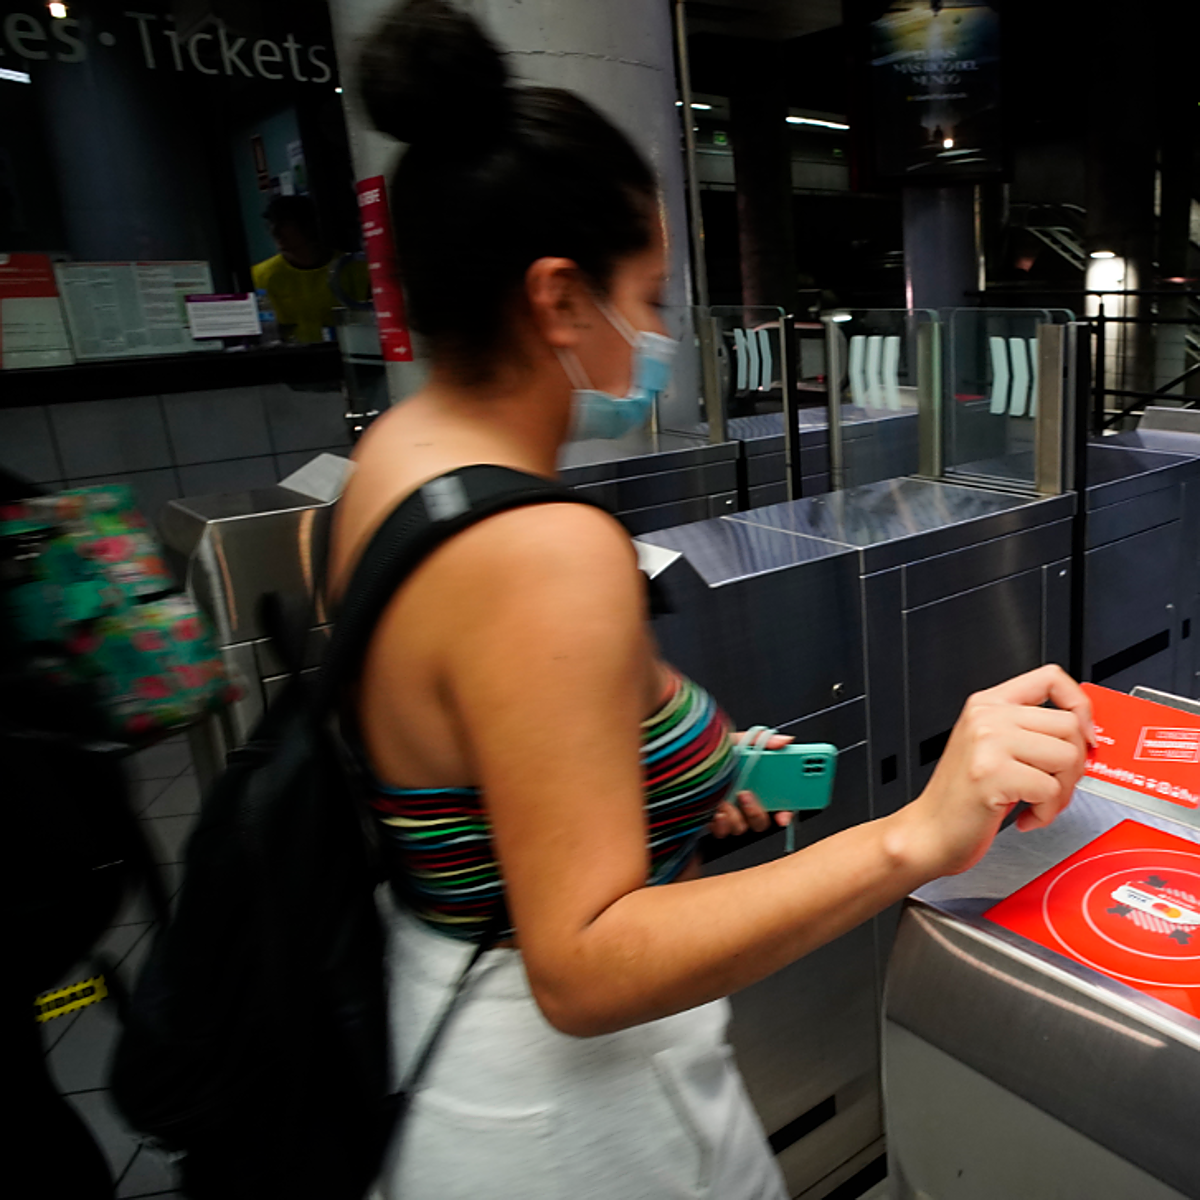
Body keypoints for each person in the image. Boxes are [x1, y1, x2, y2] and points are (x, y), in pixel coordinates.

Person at [329, 3, 1094, 1197]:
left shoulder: (390, 472)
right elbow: (581, 965)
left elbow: (488, 769)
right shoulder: (540, 550)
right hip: (576, 1129)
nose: (658, 333)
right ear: (555, 300)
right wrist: (914, 835)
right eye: (644, 296)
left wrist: (695, 764)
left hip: (445, 1052)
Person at [251, 194, 368, 343]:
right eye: (271, 225)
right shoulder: (260, 276)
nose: (275, 232)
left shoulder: (352, 268)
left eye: (284, 223)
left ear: (308, 225)